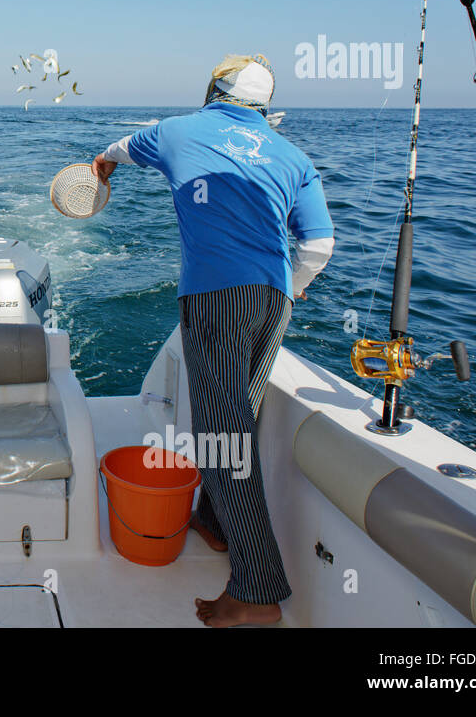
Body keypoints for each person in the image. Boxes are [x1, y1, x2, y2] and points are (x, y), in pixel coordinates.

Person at [92, 54, 334, 627]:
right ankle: (215, 523)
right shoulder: (293, 156)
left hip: (216, 299)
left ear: (213, 91)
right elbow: (319, 247)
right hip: (273, 301)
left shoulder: (177, 131)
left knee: (224, 440)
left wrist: (101, 168)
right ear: (263, 106)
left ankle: (256, 591)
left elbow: (115, 149)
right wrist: (287, 292)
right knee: (240, 419)